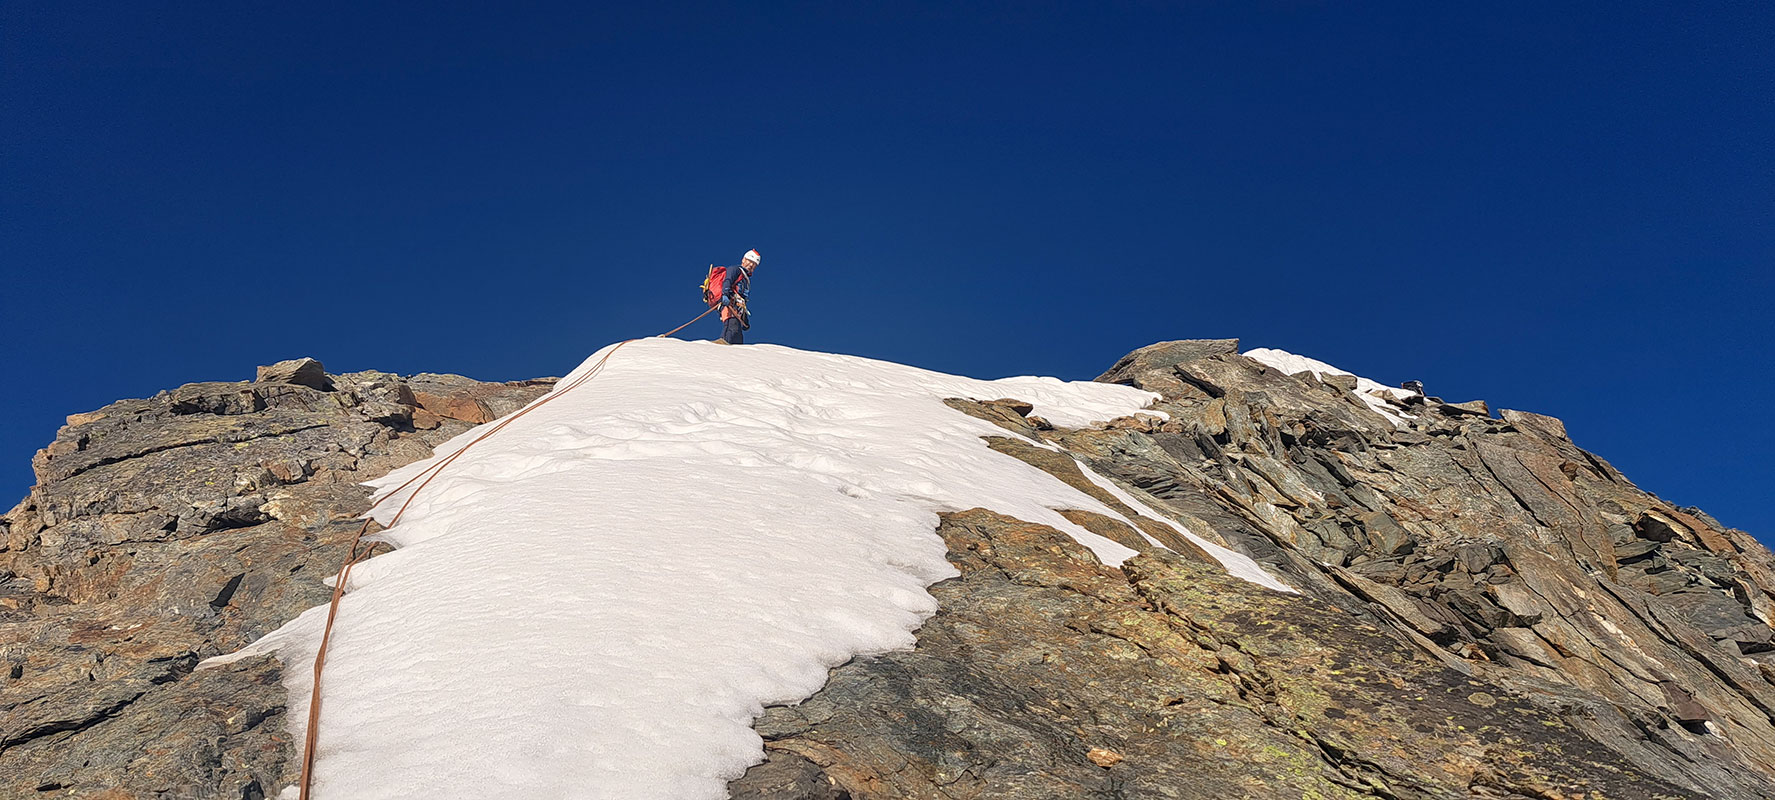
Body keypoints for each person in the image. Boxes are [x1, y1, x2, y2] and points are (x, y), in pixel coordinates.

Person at [716, 249, 760, 345]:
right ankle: (720, 350)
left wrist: (745, 321)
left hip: (737, 310)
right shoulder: (735, 270)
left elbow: (743, 302)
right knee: (731, 329)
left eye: (754, 265)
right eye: (750, 261)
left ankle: (736, 356)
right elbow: (728, 280)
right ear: (743, 260)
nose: (751, 265)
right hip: (729, 305)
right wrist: (725, 295)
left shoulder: (746, 280)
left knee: (737, 336)